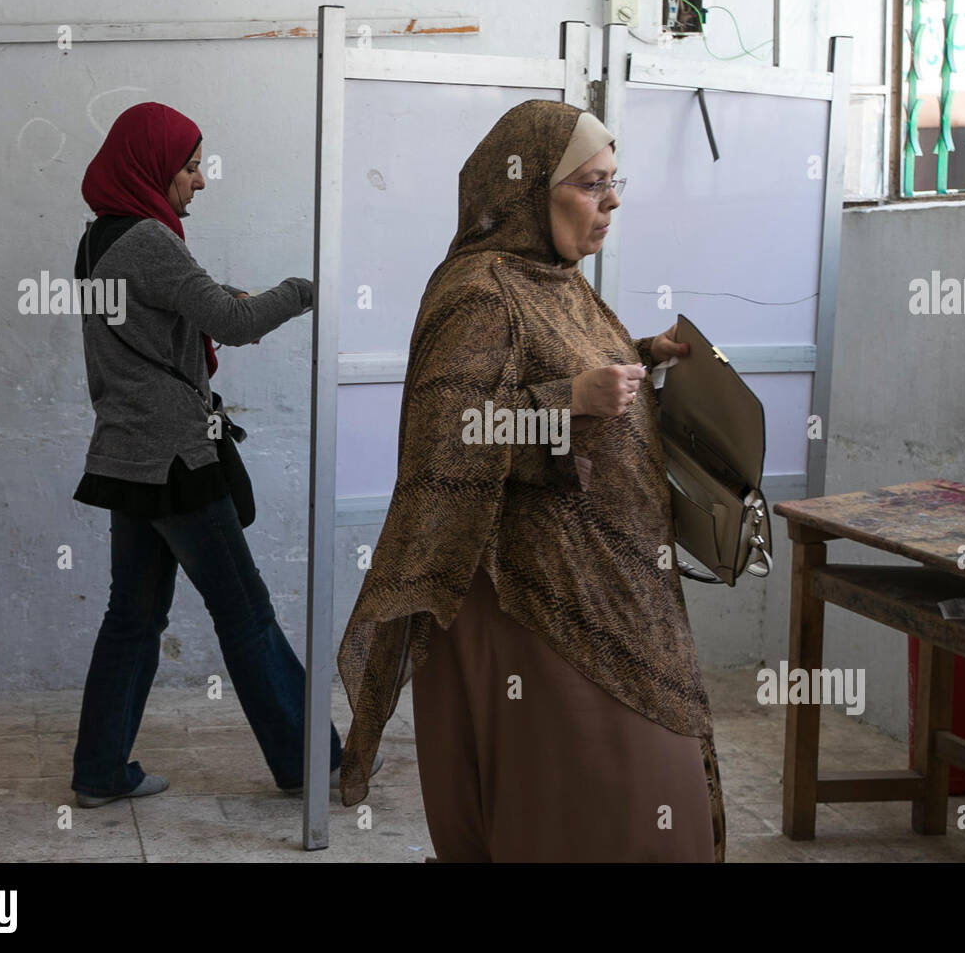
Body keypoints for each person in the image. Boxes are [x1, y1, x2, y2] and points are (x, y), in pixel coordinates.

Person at [336, 100, 726, 861]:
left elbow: (562, 359)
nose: (610, 203)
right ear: (523, 190)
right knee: (586, 792)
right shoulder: (479, 292)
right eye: (589, 185)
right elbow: (445, 439)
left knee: (634, 784)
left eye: (615, 183)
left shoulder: (557, 279)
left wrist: (644, 355)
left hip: (610, 587)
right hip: (532, 599)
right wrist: (566, 403)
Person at [68, 102, 366, 807]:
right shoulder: (150, 241)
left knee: (133, 618)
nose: (200, 180)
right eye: (191, 165)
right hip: (175, 460)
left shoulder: (97, 241)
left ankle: (99, 773)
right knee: (246, 612)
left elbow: (166, 315)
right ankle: (314, 764)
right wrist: (301, 292)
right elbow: (229, 323)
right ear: (151, 164)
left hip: (126, 457)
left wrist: (231, 301)